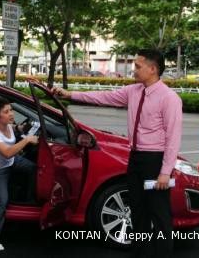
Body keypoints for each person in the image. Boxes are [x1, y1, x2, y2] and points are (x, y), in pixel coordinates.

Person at [52, 49, 182, 258]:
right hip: (136, 158)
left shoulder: (169, 98)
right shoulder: (133, 91)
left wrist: (165, 172)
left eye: (138, 66)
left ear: (153, 69)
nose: (134, 69)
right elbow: (104, 96)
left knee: (159, 215)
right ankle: (140, 254)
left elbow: (173, 138)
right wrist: (70, 94)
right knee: (137, 211)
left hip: (155, 160)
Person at [0, 97, 38, 251]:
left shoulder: (6, 125)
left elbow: (13, 130)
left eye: (11, 110)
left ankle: (30, 199)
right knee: (2, 200)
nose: (11, 113)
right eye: (6, 112)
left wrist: (21, 129)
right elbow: (7, 152)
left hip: (11, 162)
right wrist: (27, 141)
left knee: (33, 169)